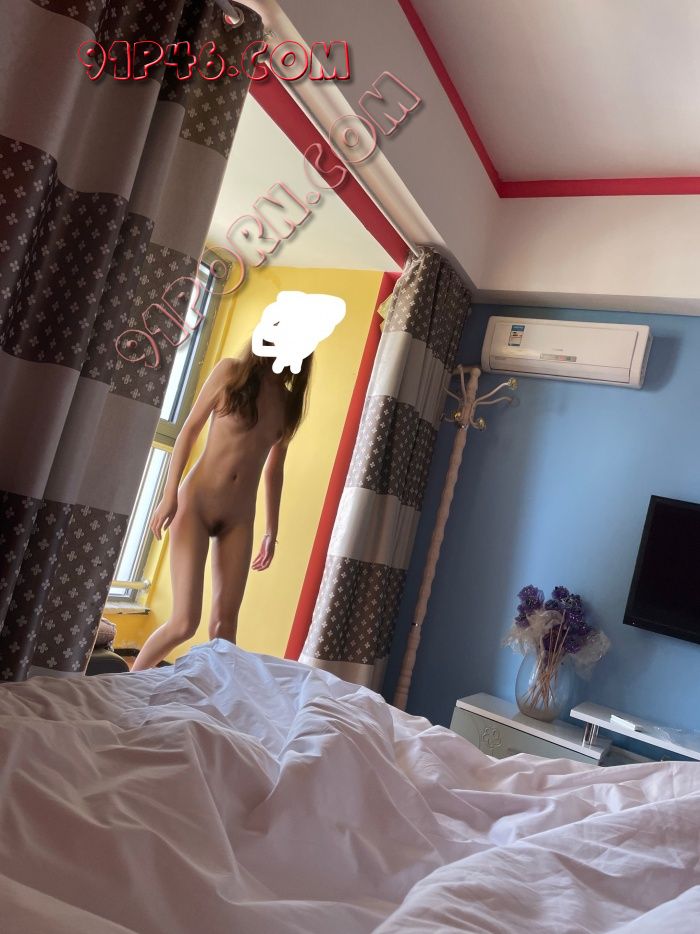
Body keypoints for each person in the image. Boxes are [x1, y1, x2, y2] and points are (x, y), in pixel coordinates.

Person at [130, 342, 312, 671]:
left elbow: (274, 470)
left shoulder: (287, 404)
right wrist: (169, 495)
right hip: (196, 505)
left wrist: (271, 532)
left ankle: (215, 697)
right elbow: (189, 430)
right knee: (184, 623)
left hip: (239, 519)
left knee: (224, 630)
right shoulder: (230, 372)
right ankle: (129, 686)